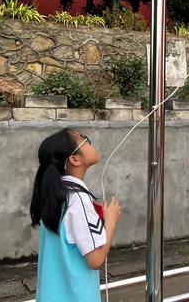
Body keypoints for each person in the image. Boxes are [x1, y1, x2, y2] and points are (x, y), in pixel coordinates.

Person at [30, 128, 121, 302]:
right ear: (74, 159)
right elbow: (96, 260)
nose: (89, 141)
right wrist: (111, 221)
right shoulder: (77, 200)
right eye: (84, 139)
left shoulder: (57, 196)